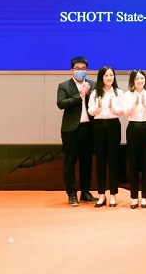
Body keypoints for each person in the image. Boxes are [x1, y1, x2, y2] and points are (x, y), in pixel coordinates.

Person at [56, 56, 97, 206]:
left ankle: (85, 192)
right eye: (77, 69)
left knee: (87, 162)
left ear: (87, 70)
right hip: (71, 130)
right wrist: (80, 95)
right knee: (70, 162)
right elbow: (61, 103)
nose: (81, 71)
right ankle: (71, 194)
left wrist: (89, 94)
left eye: (83, 69)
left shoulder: (93, 85)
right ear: (72, 70)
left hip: (88, 128)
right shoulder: (64, 86)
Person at [87, 66, 124, 208]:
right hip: (98, 126)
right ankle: (101, 194)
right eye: (106, 75)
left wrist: (113, 108)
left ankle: (113, 194)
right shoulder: (94, 93)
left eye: (111, 75)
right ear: (101, 77)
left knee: (113, 160)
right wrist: (98, 107)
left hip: (113, 126)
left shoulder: (118, 92)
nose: (109, 78)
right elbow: (91, 111)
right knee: (100, 160)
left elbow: (122, 111)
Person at [122, 69, 146, 209]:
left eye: (142, 78)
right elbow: (126, 112)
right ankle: (134, 197)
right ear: (132, 81)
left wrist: (145, 104)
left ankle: (145, 197)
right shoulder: (127, 95)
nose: (140, 81)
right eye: (137, 79)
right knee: (134, 163)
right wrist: (135, 104)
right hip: (133, 128)